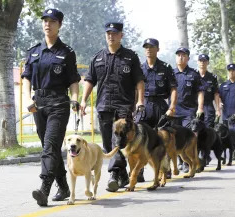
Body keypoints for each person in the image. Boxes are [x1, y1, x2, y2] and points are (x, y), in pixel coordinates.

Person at [21, 9, 81, 206]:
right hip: (38, 104)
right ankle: (63, 186)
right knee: (51, 148)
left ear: (59, 25)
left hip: (59, 104)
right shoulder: (33, 51)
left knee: (50, 145)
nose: (48, 24)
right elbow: (26, 78)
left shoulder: (66, 52)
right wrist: (27, 98)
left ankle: (44, 188)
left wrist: (74, 98)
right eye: (45, 21)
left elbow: (73, 80)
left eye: (52, 21)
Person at [80, 22, 145, 192]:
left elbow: (139, 80)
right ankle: (122, 174)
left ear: (121, 35)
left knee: (120, 140)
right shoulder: (98, 57)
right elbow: (89, 80)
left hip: (123, 106)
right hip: (103, 106)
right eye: (108, 33)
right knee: (109, 143)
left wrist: (140, 101)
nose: (111, 36)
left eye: (114, 33)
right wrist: (83, 100)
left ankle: (114, 174)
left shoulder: (131, 57)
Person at [135, 38, 177, 179]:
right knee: (140, 138)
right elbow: (136, 90)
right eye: (146, 47)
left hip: (160, 105)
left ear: (157, 49)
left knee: (164, 139)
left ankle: (165, 169)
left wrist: (172, 107)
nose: (148, 49)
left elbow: (173, 89)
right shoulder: (140, 68)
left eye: (151, 47)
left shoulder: (165, 67)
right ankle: (139, 171)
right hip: (144, 105)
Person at [173, 47, 204, 172]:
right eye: (179, 55)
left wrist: (200, 107)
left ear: (188, 58)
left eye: (183, 55)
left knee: (188, 137)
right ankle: (180, 162)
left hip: (189, 112)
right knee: (173, 137)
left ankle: (190, 163)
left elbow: (200, 92)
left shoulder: (193, 74)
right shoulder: (171, 73)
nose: (181, 57)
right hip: (174, 111)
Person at [197, 54, 220, 128]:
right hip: (195, 105)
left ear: (208, 62)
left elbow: (216, 94)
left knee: (209, 129)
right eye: (200, 61)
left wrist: (218, 109)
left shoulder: (212, 77)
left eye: (204, 61)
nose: (202, 63)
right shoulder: (193, 75)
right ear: (198, 62)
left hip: (208, 106)